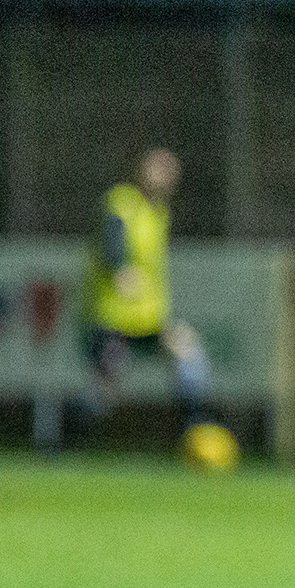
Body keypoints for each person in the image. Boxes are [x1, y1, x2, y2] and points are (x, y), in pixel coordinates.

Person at [82, 147, 215, 442]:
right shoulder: (122, 201)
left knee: (189, 355)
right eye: (157, 168)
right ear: (141, 169)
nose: (163, 176)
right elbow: (111, 243)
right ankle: (65, 448)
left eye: (169, 171)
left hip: (150, 319)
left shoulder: (160, 213)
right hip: (114, 317)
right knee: (101, 393)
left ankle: (195, 434)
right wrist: (120, 271)